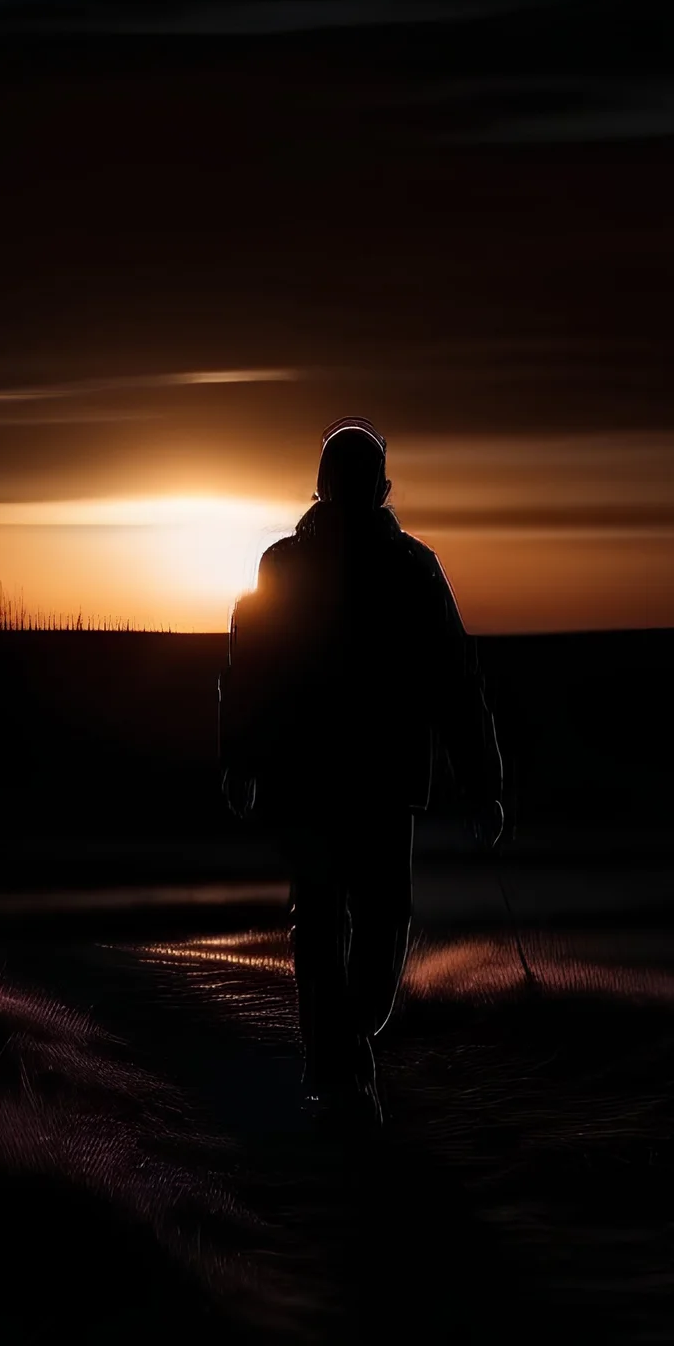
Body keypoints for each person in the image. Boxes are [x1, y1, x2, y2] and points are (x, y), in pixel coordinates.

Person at [218, 419, 503, 1129]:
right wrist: (483, 786)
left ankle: (339, 1052)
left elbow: (453, 680)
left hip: (350, 781)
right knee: (335, 924)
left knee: (360, 927)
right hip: (335, 780)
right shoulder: (311, 566)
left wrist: (482, 783)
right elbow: (251, 670)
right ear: (378, 486)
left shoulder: (405, 568)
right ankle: (334, 1067)